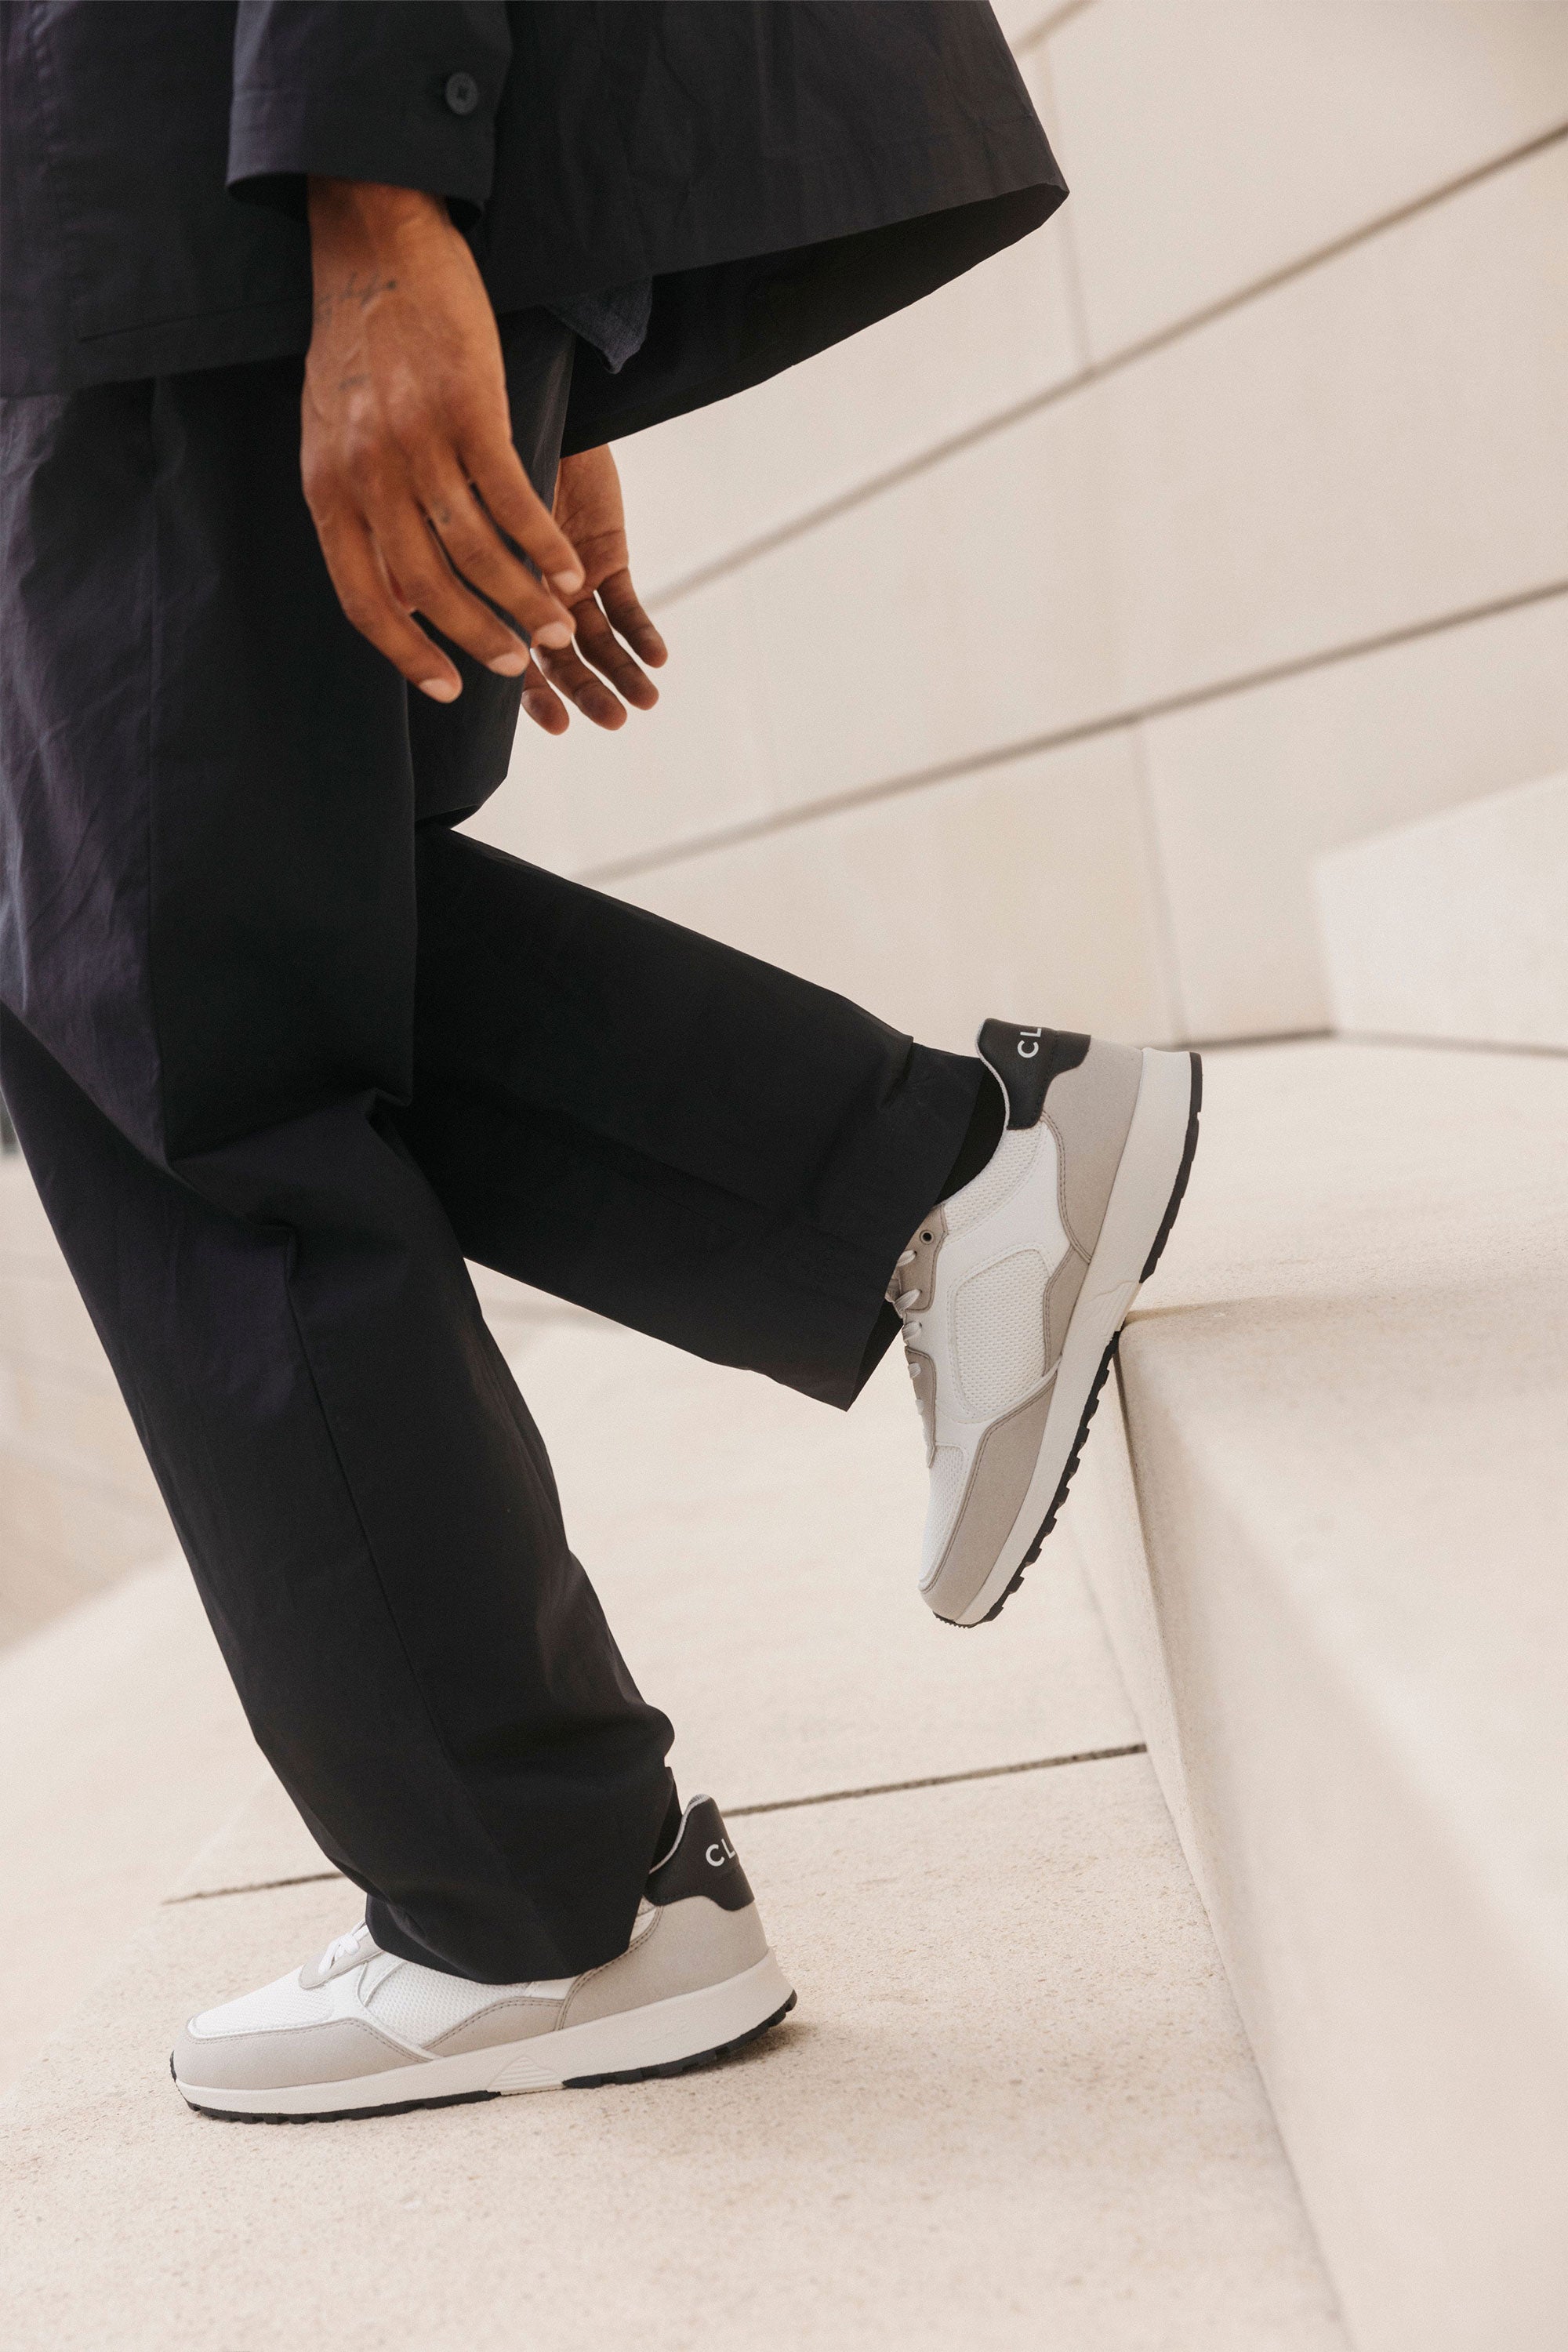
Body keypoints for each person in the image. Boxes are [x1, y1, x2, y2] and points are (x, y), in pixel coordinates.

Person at [0, 2, 1199, 2122]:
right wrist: (487, 267)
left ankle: (543, 1912)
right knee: (158, 942)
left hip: (221, 182)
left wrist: (390, 218)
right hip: (211, 190)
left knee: (177, 1008)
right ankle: (938, 1184)